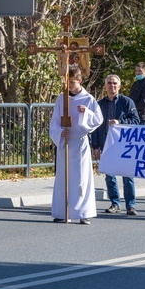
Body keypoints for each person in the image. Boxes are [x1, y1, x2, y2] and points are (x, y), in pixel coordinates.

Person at [50, 66, 103, 224]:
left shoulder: (88, 99)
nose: (69, 85)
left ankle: (83, 213)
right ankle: (61, 211)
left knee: (81, 179)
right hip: (65, 141)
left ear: (79, 81)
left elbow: (98, 119)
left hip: (80, 142)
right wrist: (60, 132)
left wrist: (86, 112)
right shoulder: (62, 98)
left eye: (72, 82)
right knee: (63, 178)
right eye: (67, 82)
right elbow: (54, 123)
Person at [91, 74, 140, 215]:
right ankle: (115, 203)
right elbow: (95, 126)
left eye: (114, 83)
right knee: (110, 176)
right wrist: (95, 146)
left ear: (119, 86)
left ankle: (130, 205)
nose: (112, 86)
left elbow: (136, 122)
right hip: (107, 145)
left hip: (125, 146)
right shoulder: (99, 104)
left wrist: (120, 123)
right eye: (109, 83)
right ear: (105, 86)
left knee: (128, 176)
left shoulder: (127, 102)